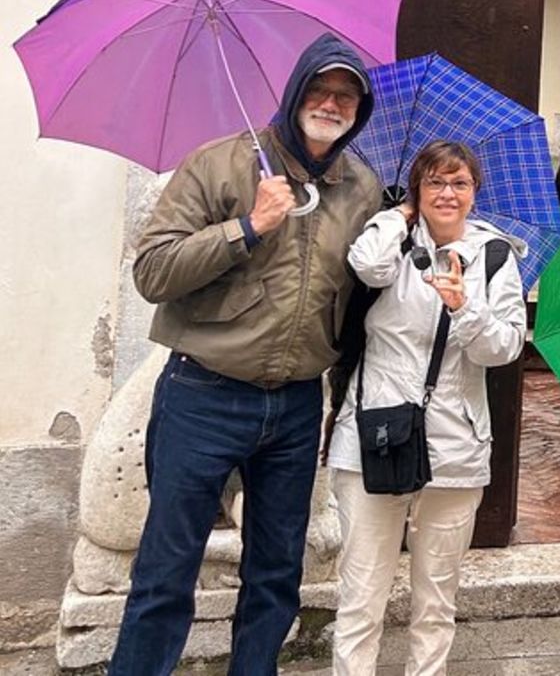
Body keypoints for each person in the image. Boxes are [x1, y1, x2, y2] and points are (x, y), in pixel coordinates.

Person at [112, 33, 382, 675]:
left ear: (359, 112)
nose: (331, 104)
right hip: (203, 395)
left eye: (346, 96)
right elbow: (153, 272)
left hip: (295, 405)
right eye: (320, 89)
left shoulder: (363, 187)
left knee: (276, 574)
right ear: (295, 92)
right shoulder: (219, 163)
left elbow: (358, 299)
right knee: (166, 572)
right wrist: (248, 227)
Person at [327, 141, 526, 675]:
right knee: (361, 595)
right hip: (375, 436)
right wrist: (400, 216)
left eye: (460, 183)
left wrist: (465, 307)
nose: (447, 193)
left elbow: (504, 348)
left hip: (454, 445)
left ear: (475, 192)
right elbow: (366, 267)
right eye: (434, 181)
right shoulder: (390, 241)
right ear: (416, 188)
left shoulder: (494, 255)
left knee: (436, 601)